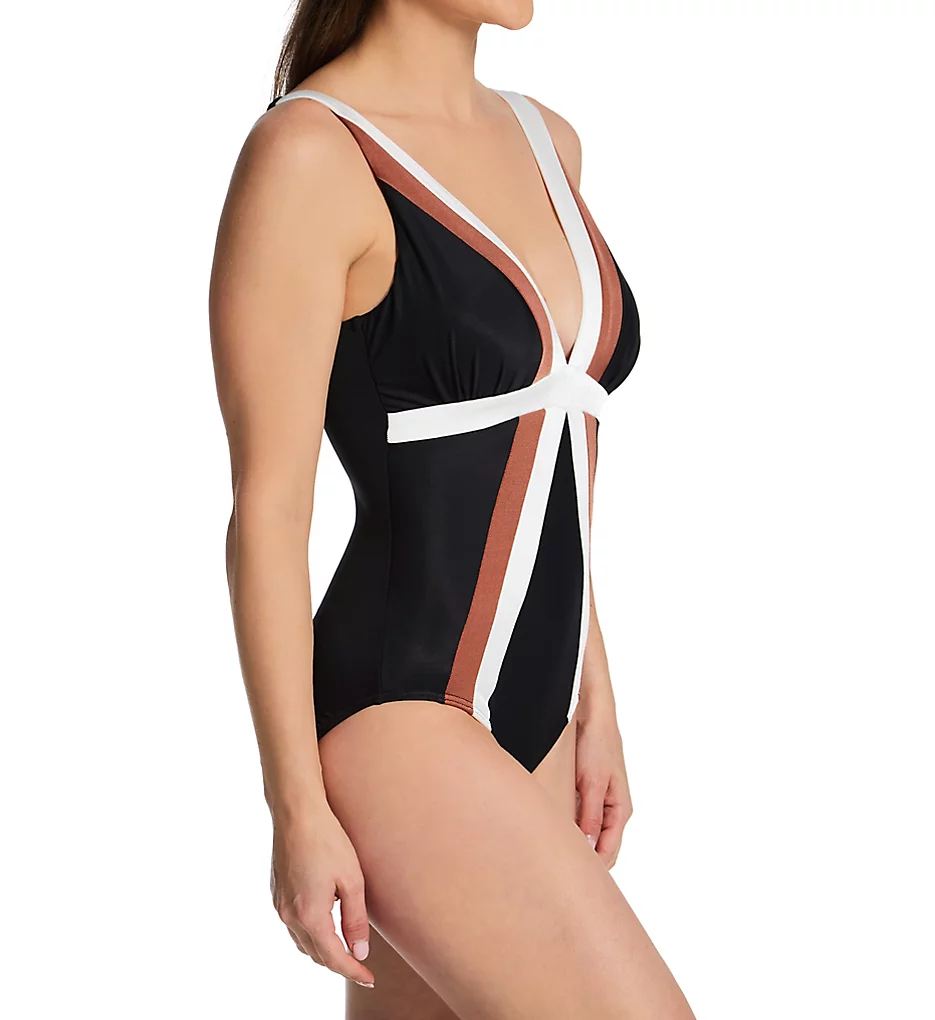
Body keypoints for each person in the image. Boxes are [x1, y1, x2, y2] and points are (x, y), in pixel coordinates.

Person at [210, 1, 696, 1016]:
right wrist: (293, 807)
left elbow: (556, 448)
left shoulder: (547, 140)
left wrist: (595, 698)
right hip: (399, 711)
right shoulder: (311, 156)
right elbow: (268, 513)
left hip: (544, 713)